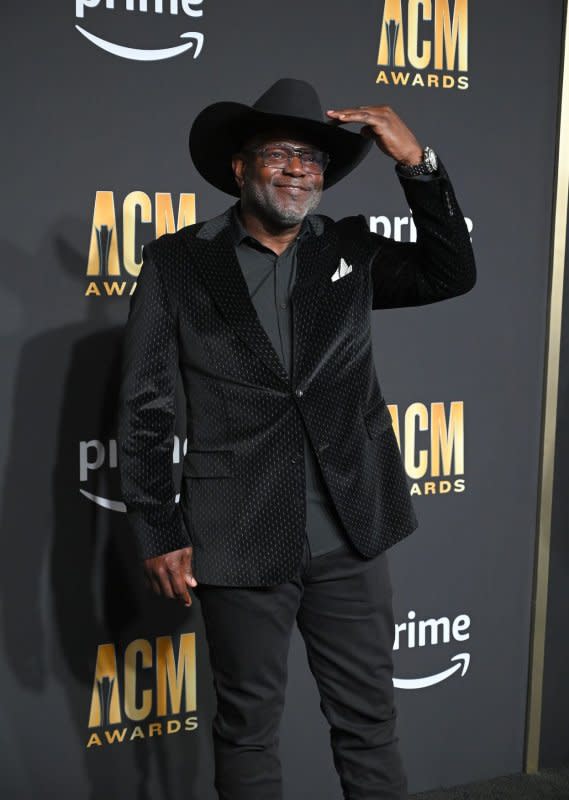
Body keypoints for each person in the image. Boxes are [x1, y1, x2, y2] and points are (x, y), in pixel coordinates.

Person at [117, 77, 476, 800]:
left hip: (351, 530)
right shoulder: (178, 263)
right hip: (238, 533)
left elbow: (451, 271)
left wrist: (418, 165)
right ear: (239, 168)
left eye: (311, 159)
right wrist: (159, 527)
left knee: (370, 722)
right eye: (279, 153)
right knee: (247, 728)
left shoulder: (350, 249)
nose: (297, 169)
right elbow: (147, 405)